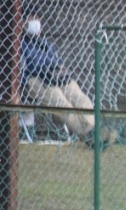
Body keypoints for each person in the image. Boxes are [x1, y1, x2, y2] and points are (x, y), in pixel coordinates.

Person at [20, 11, 116, 147]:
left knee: (79, 96)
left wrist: (59, 71)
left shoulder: (45, 43)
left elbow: (58, 62)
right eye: (31, 19)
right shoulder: (18, 44)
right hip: (33, 79)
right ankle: (88, 134)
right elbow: (23, 69)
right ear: (22, 22)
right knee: (60, 100)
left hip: (53, 76)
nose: (35, 22)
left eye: (36, 18)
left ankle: (94, 128)